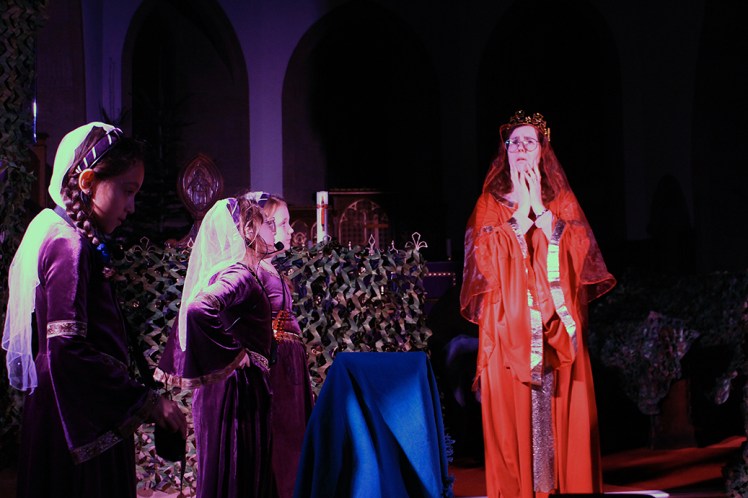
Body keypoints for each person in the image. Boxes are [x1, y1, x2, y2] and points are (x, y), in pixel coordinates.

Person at [2, 122, 187, 498]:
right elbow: (67, 350)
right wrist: (148, 402)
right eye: (127, 191)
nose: (131, 207)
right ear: (87, 182)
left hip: (76, 410)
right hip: (75, 419)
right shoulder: (68, 245)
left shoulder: (76, 240)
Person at [460, 110, 615, 498]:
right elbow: (483, 262)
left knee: (557, 417)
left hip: (553, 327)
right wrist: (519, 217)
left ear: (543, 149)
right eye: (514, 142)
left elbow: (580, 251)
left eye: (529, 142)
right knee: (514, 421)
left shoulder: (560, 201)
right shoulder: (490, 203)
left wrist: (542, 215)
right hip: (508, 328)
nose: (520, 149)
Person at [155, 193, 277, 497]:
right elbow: (198, 308)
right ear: (248, 230)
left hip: (232, 388)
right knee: (237, 470)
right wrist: (235, 355)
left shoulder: (234, 272)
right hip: (237, 391)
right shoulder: (239, 274)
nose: (271, 229)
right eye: (265, 222)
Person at [256, 193, 314, 498]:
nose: (291, 230)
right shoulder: (255, 271)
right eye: (283, 223)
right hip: (276, 365)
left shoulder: (273, 270)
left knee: (294, 434)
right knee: (282, 438)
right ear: (264, 226)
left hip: (290, 365)